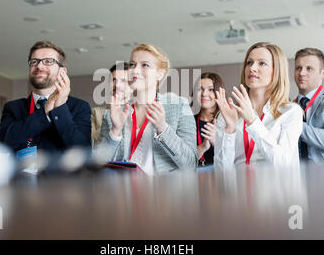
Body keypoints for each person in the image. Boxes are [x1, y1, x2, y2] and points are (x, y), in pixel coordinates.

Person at [99, 44, 198, 174]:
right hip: (124, 192)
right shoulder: (112, 114)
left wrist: (163, 128)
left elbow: (190, 163)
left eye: (145, 65)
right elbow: (100, 165)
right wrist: (115, 131)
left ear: (160, 74)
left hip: (165, 192)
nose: (135, 70)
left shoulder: (179, 107)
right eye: (132, 64)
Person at [0, 41, 91, 156]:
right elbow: (0, 144)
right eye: (34, 62)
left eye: (48, 61)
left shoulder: (79, 107)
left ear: (62, 71)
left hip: (61, 174)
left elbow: (83, 151)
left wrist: (59, 108)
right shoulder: (13, 108)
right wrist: (45, 112)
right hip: (23, 174)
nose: (39, 66)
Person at [214, 42, 303, 167]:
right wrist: (230, 129)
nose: (252, 68)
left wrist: (252, 120)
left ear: (276, 71)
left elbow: (283, 163)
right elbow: (221, 172)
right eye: (249, 62)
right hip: (238, 186)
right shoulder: (228, 114)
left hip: (277, 186)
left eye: (262, 63)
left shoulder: (291, 112)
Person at [91, 62, 131, 146]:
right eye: (114, 80)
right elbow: (92, 148)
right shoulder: (96, 114)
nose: (117, 85)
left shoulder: (142, 114)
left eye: (124, 80)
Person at [194, 72, 224, 166]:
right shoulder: (187, 122)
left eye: (211, 89)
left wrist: (217, 142)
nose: (204, 94)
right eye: (200, 89)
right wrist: (203, 147)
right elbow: (183, 159)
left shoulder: (227, 121)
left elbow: (237, 158)